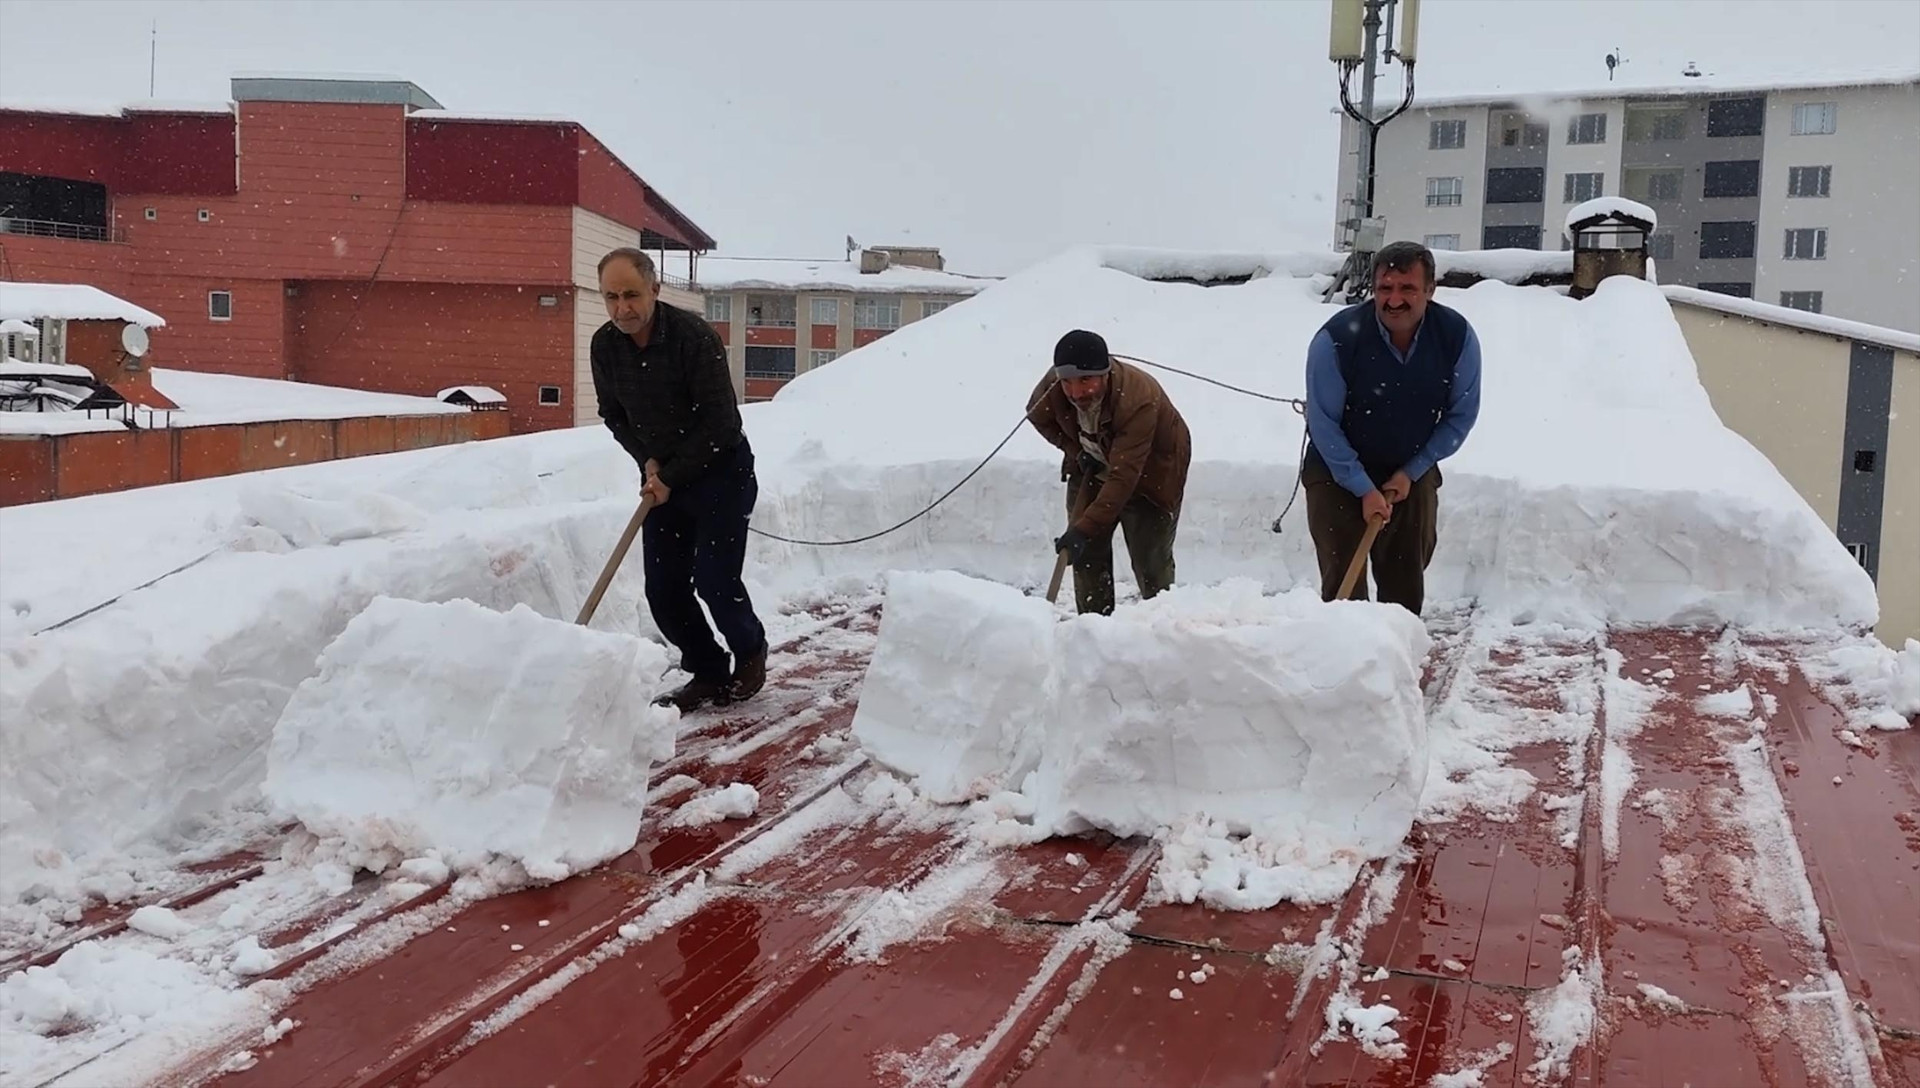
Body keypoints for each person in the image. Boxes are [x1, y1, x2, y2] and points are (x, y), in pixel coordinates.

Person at [590, 247, 768, 711]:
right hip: (664, 480)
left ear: (654, 288)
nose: (622, 307)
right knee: (664, 590)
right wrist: (647, 461)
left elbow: (721, 424)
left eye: (631, 294)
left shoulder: (693, 337)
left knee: (715, 581)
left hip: (721, 473)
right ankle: (707, 669)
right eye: (611, 297)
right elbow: (613, 415)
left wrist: (669, 473)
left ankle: (750, 652)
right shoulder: (605, 346)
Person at [1301, 240, 1482, 616]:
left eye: (1407, 288)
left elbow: (1459, 417)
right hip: (1336, 469)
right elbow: (1323, 423)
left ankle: (1397, 658)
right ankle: (1347, 661)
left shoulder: (1455, 337)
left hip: (1411, 465)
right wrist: (1363, 487)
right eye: (1386, 288)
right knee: (1343, 585)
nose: (1394, 300)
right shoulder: (1337, 339)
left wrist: (1412, 471)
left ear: (1430, 290)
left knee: (1405, 579)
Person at [1025, 329, 1192, 616]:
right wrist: (1077, 452)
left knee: (1150, 561)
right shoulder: (1055, 385)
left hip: (1150, 474)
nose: (1076, 392)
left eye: (1086, 381)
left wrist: (1081, 528)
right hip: (1090, 466)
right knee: (1085, 553)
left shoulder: (1138, 397)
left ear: (1105, 373)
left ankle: (1165, 633)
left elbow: (1123, 478)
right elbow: (1037, 416)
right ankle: (1093, 630)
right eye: (1068, 383)